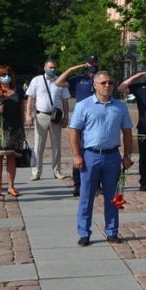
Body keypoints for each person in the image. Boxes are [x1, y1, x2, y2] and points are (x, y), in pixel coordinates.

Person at [69, 71, 134, 246]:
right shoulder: (84, 105)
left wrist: (127, 155)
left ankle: (112, 231)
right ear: (95, 85)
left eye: (110, 83)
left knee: (113, 196)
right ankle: (84, 232)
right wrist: (76, 155)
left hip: (112, 155)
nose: (107, 86)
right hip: (90, 155)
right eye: (104, 82)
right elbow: (74, 131)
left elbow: (127, 132)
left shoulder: (120, 107)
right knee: (86, 196)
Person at [55, 54, 101, 197]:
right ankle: (78, 184)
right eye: (90, 63)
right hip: (82, 118)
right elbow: (58, 82)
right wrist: (73, 68)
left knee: (96, 150)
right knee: (78, 151)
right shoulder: (80, 79)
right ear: (86, 64)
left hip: (98, 118)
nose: (93, 65)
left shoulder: (102, 79)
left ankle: (96, 184)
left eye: (95, 62)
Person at [0, 66, 26, 197]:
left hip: (14, 128)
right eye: (3, 74)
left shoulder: (18, 91)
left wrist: (23, 129)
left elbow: (21, 111)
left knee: (12, 157)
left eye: (8, 74)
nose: (6, 76)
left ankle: (11, 186)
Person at [118, 64, 146, 191]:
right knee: (144, 157)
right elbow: (121, 88)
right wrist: (137, 76)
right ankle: (143, 182)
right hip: (144, 126)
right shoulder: (140, 86)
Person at [25, 59, 70, 181]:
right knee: (39, 145)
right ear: (45, 67)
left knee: (56, 145)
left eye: (55, 68)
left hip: (56, 116)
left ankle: (57, 171)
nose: (53, 70)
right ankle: (37, 172)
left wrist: (66, 116)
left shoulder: (60, 81)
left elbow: (65, 100)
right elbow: (30, 98)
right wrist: (28, 114)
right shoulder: (37, 80)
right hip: (41, 115)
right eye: (50, 67)